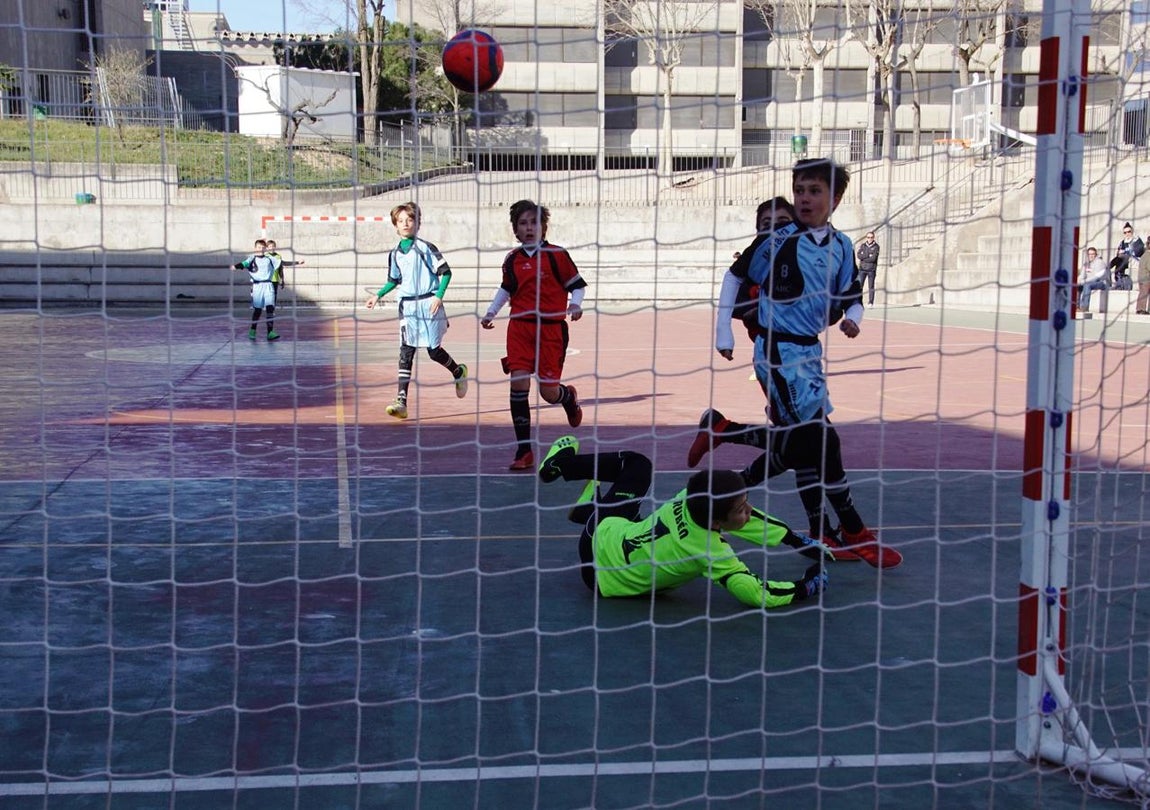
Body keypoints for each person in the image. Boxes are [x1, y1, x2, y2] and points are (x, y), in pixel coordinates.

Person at [692, 157, 902, 569]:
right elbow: (735, 276)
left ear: (835, 199)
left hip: (809, 353)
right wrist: (723, 330)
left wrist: (854, 319)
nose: (805, 198)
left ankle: (724, 436)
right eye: (800, 190)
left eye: (814, 191)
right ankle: (851, 529)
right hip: (778, 352)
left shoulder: (842, 245)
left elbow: (852, 296)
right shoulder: (779, 241)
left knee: (805, 446)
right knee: (820, 441)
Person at [537, 435, 832, 608]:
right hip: (600, 579)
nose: (749, 510)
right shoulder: (711, 552)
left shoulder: (689, 496)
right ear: (717, 521)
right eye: (741, 508)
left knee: (637, 465)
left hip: (601, 534)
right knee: (639, 492)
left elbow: (747, 518)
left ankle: (573, 483)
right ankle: (582, 495)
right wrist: (806, 587)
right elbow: (756, 593)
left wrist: (795, 539)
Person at [482, 199, 587, 470]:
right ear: (516, 230)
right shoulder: (512, 259)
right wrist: (491, 312)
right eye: (523, 223)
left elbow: (577, 285)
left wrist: (575, 304)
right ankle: (524, 450)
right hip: (519, 329)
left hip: (551, 330)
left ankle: (567, 398)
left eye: (534, 223)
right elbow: (506, 289)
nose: (529, 228)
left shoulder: (557, 255)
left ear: (543, 227)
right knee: (518, 383)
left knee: (548, 393)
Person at [363, 202, 468, 420]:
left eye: (409, 220)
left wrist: (439, 296)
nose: (405, 224)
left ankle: (458, 371)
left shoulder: (425, 248)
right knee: (406, 350)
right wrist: (378, 295)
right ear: (395, 225)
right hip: (407, 306)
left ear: (417, 223)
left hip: (429, 302)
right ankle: (401, 401)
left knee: (433, 351)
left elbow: (446, 272)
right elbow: (394, 280)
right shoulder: (394, 254)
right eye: (400, 221)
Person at [719, 197, 797, 353]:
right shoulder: (752, 268)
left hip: (803, 347)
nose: (776, 229)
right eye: (767, 224)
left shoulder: (805, 259)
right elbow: (737, 306)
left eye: (783, 222)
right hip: (765, 349)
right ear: (758, 231)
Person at [231, 238, 280, 341]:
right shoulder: (251, 258)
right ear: (255, 248)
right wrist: (235, 266)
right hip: (257, 287)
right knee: (258, 310)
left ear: (265, 248)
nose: (261, 249)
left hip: (268, 285)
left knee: (270, 309)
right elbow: (244, 264)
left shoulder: (270, 259)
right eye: (259, 247)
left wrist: (297, 262)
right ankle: (253, 330)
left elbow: (282, 263)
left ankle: (270, 332)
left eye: (263, 247)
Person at [1109, 223, 1143, 292]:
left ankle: (1109, 268)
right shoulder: (1123, 242)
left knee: (1121, 259)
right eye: (1125, 232)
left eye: (1129, 232)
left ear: (1132, 231)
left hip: (1134, 260)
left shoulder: (1137, 241)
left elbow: (1137, 252)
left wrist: (1125, 252)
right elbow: (1118, 253)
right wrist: (1120, 252)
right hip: (1123, 260)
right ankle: (1110, 271)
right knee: (1119, 260)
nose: (1127, 234)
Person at [1077, 246, 1109, 313]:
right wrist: (1078, 281)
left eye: (1092, 254)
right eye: (1089, 254)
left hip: (1101, 283)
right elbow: (1082, 275)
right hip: (1089, 282)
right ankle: (1076, 306)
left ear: (1096, 254)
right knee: (1077, 286)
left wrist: (1083, 281)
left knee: (1087, 285)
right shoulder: (1086, 264)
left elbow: (1096, 277)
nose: (1091, 256)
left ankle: (1084, 307)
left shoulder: (1100, 262)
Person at [855, 231, 880, 306]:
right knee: (859, 286)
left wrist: (864, 257)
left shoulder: (876, 246)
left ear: (874, 238)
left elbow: (873, 258)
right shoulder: (863, 245)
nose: (870, 239)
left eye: (871, 237)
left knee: (871, 286)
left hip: (871, 270)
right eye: (868, 237)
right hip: (862, 269)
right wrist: (868, 255)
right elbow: (859, 255)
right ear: (866, 238)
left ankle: (870, 302)